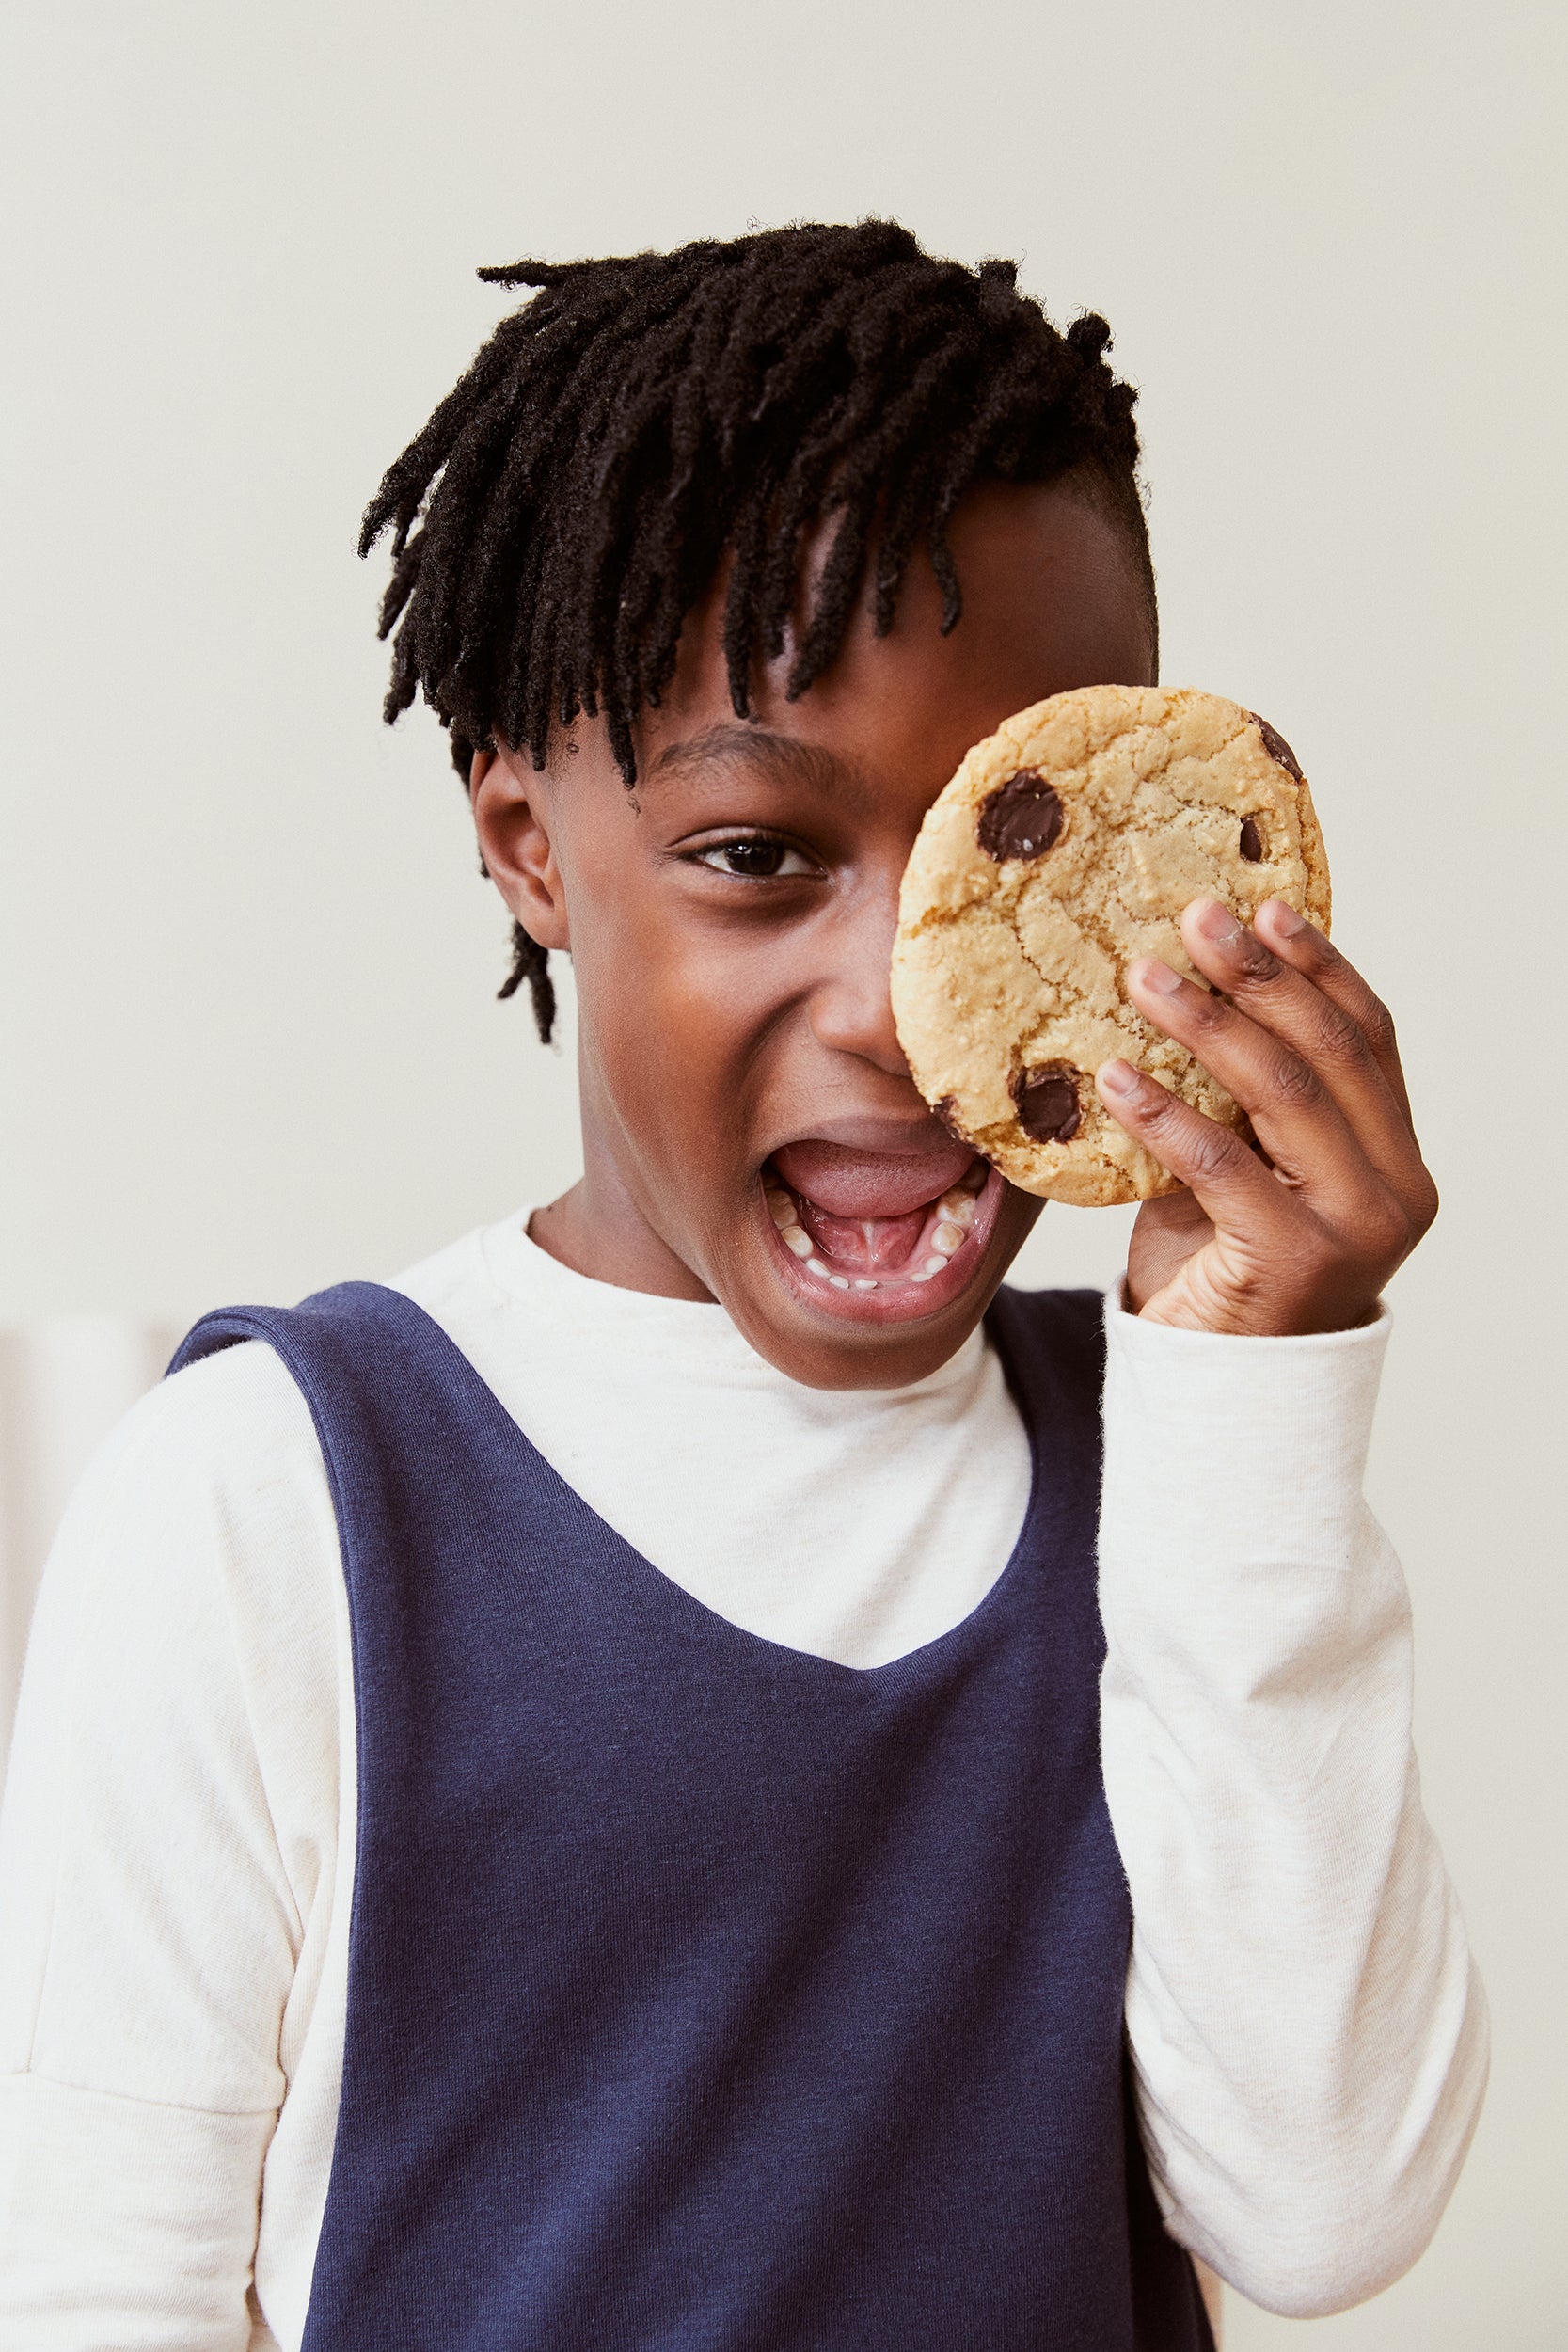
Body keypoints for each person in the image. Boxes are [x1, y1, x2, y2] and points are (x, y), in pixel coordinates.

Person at [0, 221, 1486, 2351]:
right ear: (528, 837)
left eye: (1015, 866)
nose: (914, 1016)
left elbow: (1328, 2209)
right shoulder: (269, 1498)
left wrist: (1268, 1384)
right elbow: (95, 2294)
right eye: (761, 856)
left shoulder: (1174, 1459)